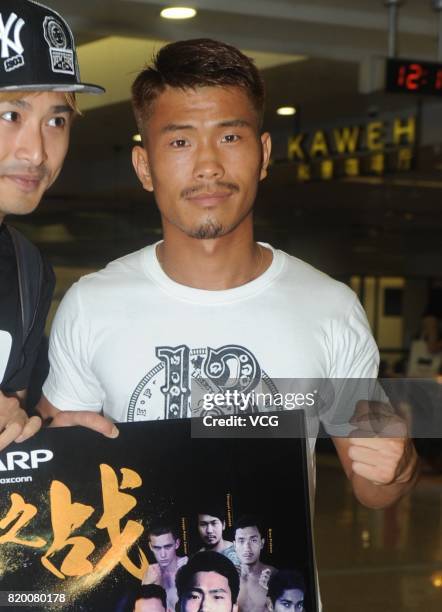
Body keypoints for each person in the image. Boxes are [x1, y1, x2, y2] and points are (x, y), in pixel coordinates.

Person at [39, 36, 418, 527]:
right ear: (143, 166)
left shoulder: (329, 307)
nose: (208, 166)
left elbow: (372, 486)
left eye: (230, 137)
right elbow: (55, 475)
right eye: (179, 141)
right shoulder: (91, 304)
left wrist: (399, 466)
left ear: (262, 154)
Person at [0, 0, 104, 451]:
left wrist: (45, 439)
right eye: (10, 115)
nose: (37, 152)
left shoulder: (27, 270)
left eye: (56, 121)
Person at [233, 516, 276, 612]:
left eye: (253, 540)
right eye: (241, 541)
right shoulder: (226, 576)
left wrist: (274, 592)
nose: (247, 547)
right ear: (234, 545)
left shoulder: (274, 575)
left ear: (262, 543)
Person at [142, 522, 188, 610]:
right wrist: (148, 585)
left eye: (167, 547)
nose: (163, 555)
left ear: (177, 544)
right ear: (150, 547)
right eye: (157, 548)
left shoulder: (189, 566)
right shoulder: (150, 573)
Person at [197, 505, 239, 570]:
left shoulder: (239, 552)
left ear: (223, 525)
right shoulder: (197, 557)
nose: (209, 530)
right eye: (203, 524)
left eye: (214, 523)